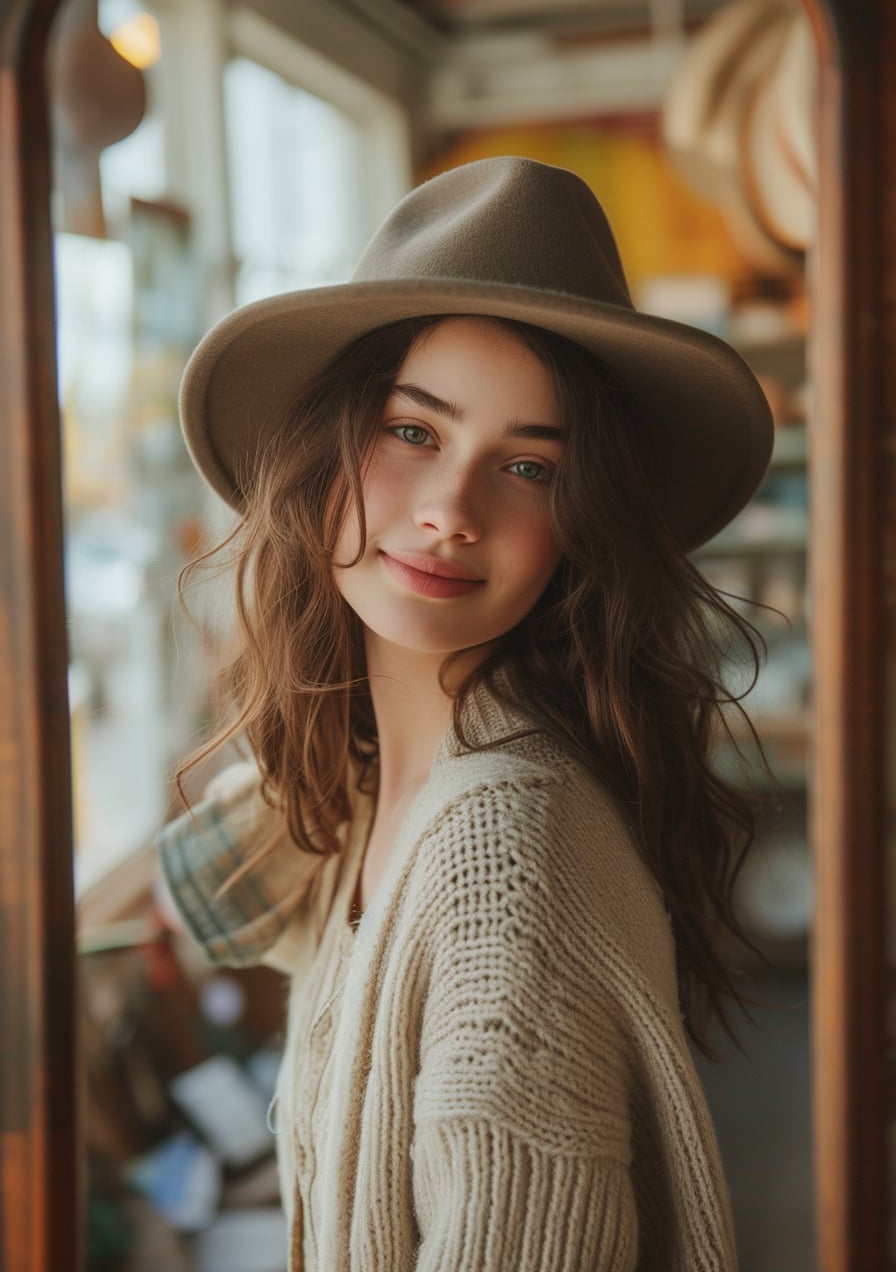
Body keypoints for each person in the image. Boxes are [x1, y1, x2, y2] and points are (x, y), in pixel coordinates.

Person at [157, 156, 773, 1271]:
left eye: (529, 468)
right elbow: (208, 887)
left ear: (581, 522)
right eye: (412, 432)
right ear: (320, 457)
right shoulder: (354, 781)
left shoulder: (501, 860)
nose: (450, 514)